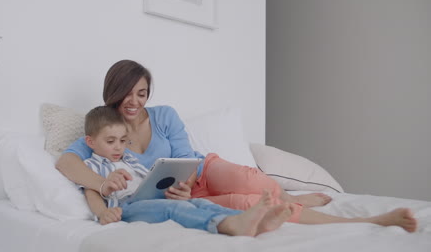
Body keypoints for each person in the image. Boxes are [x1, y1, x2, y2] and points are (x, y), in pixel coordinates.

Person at [57, 60, 417, 232]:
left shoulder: (163, 114)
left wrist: (184, 182)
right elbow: (67, 163)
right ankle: (369, 221)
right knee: (253, 204)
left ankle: (294, 198)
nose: (135, 101)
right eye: (128, 93)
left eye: (142, 93)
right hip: (177, 197)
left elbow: (184, 157)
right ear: (112, 93)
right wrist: (102, 186)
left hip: (200, 171)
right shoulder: (106, 132)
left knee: (254, 183)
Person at [80, 105, 292, 236]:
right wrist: (103, 212)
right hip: (127, 209)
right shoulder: (93, 165)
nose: (118, 147)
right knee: (172, 211)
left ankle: (252, 219)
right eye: (111, 141)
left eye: (123, 141)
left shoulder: (129, 158)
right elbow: (91, 192)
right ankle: (226, 224)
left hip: (151, 199)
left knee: (197, 203)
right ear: (91, 141)